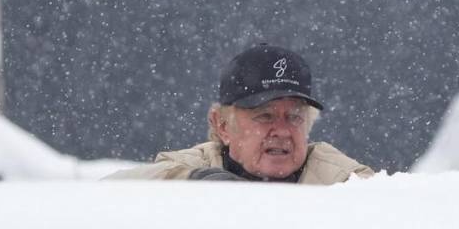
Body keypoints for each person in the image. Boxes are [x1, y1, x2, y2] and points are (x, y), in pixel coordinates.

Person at [105, 43, 374, 183]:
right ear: (222, 126)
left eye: (294, 117)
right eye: (265, 115)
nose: (281, 131)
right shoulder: (193, 169)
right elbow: (104, 196)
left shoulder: (343, 181)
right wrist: (190, 183)